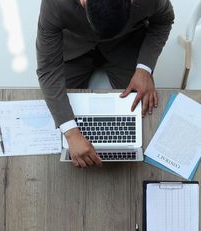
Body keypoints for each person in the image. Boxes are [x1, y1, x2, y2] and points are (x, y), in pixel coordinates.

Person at [36, 0, 174, 168]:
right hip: (74, 48)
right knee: (58, 114)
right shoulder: (55, 3)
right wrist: (71, 133)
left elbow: (164, 20)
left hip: (124, 44)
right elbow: (48, 69)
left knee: (143, 115)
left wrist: (144, 68)